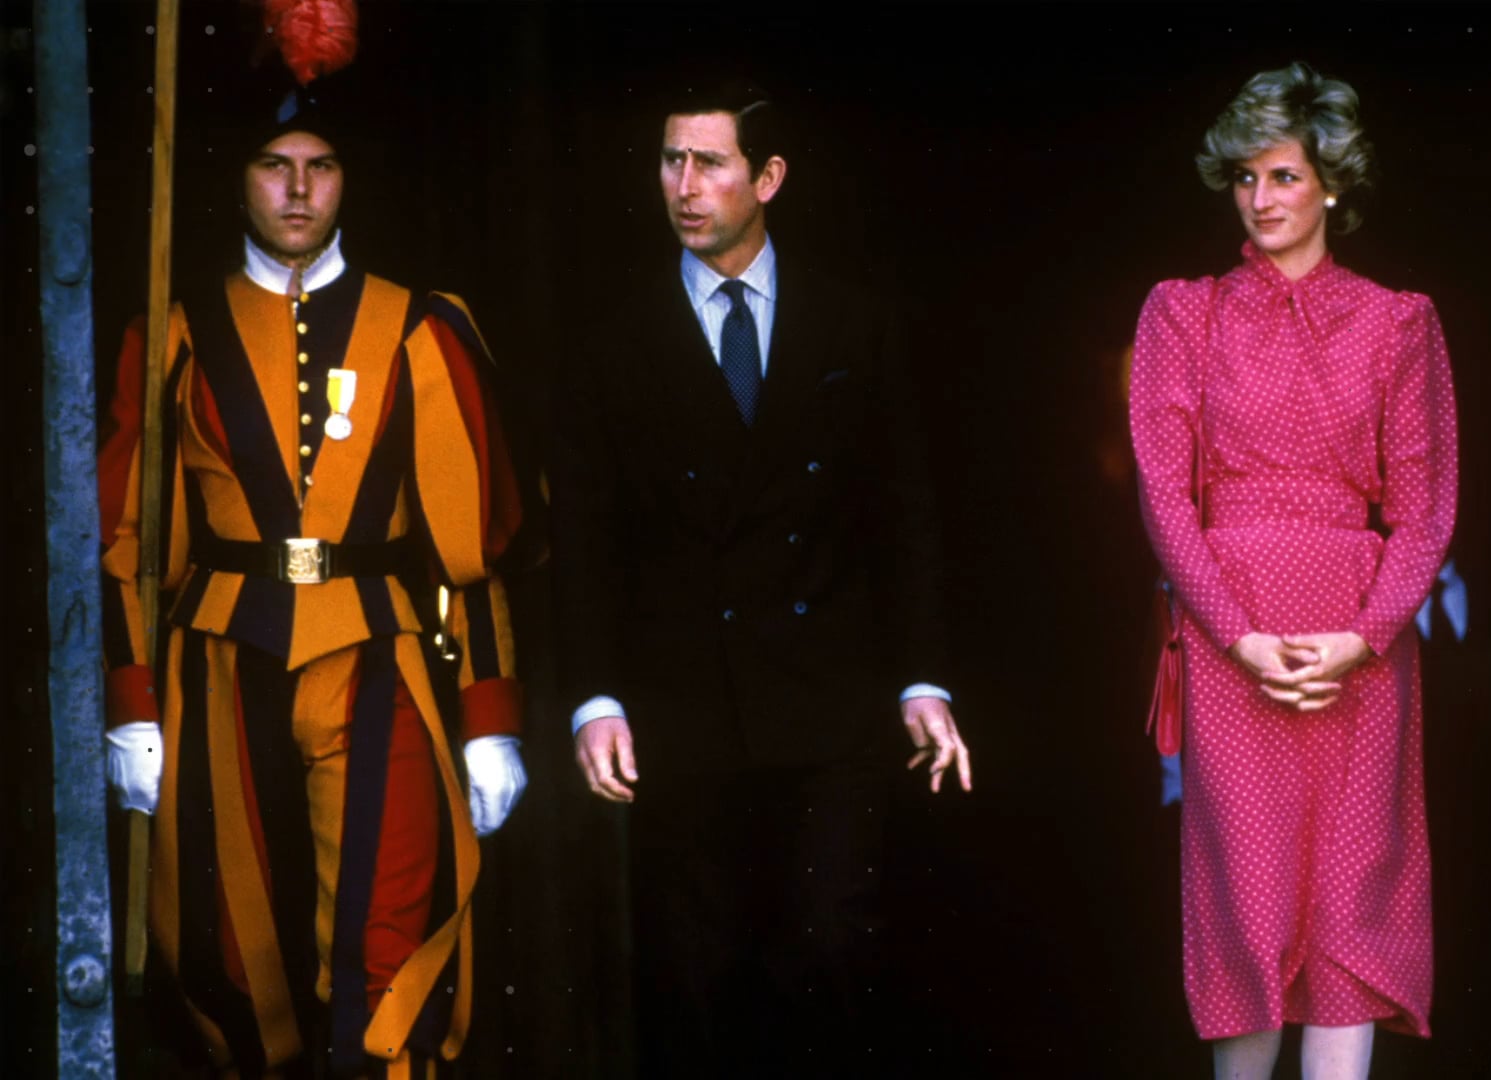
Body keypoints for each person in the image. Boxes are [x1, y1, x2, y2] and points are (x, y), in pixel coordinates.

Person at [97, 80, 530, 1076]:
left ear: (348, 181)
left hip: (378, 654)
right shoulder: (176, 331)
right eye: (275, 166)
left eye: (321, 167)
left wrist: (491, 714)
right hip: (217, 662)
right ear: (239, 181)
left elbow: (471, 546)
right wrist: (131, 700)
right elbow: (128, 542)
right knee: (228, 950)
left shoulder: (419, 327)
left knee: (389, 938)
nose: (298, 190)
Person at [550, 84, 971, 1075]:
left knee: (830, 954)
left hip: (830, 705)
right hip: (681, 708)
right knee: (696, 979)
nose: (683, 186)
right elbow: (586, 535)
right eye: (670, 161)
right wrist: (596, 698)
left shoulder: (854, 322)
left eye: (710, 163)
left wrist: (923, 679)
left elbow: (902, 516)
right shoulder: (612, 337)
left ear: (769, 177)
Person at [1129, 63, 1457, 1080]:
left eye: (1282, 176)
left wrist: (1365, 637)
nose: (1260, 200)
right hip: (1235, 643)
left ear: (1332, 184)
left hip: (1358, 648)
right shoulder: (1183, 314)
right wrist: (1238, 637)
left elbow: (1426, 509)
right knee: (1247, 905)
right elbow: (1163, 496)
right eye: (1244, 178)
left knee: (1354, 910)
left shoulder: (1399, 321)